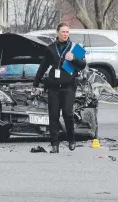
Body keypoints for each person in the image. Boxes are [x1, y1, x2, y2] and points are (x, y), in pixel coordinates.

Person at [33, 23, 87, 153]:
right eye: (63, 32)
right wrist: (36, 83)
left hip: (69, 86)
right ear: (57, 33)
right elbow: (43, 67)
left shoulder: (76, 47)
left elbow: (83, 65)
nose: (65, 34)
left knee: (68, 114)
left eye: (67, 32)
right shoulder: (51, 48)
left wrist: (73, 58)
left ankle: (71, 139)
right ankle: (54, 144)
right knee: (54, 116)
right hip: (53, 87)